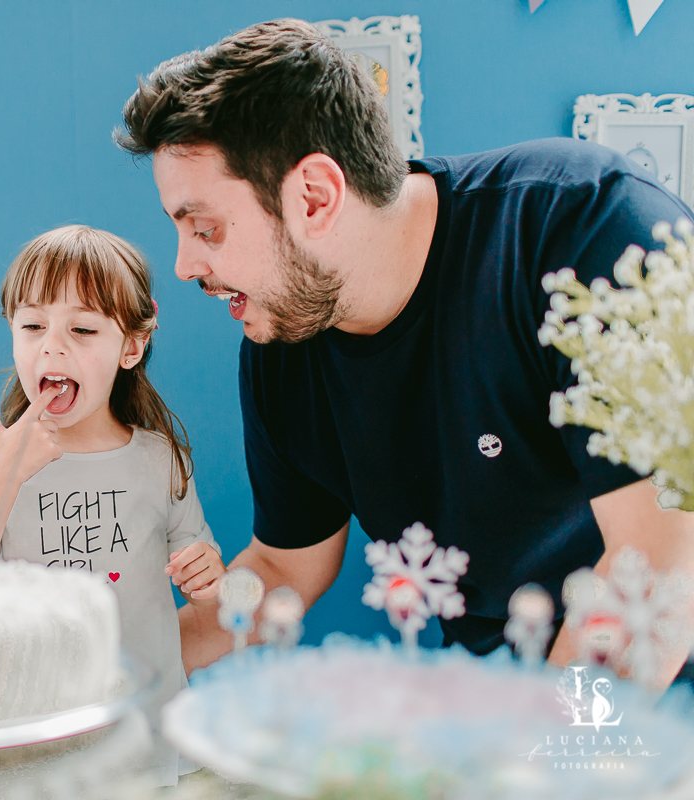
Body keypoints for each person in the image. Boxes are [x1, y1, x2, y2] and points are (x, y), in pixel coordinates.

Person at [115, 18, 694, 688]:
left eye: (206, 228)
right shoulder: (286, 340)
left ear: (315, 196)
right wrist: (124, 671)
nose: (184, 266)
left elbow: (656, 568)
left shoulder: (588, 233)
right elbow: (281, 570)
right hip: (507, 703)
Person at [0, 225, 226, 781]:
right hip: (32, 749)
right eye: (33, 325)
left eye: (83, 328)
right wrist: (5, 476)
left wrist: (211, 585)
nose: (52, 345)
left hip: (148, 744)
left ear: (132, 346)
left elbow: (219, 616)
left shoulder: (163, 464)